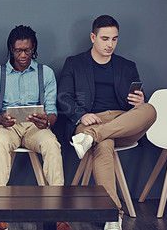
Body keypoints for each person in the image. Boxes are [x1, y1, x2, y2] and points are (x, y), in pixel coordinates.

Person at [58, 15, 156, 230]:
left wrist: (139, 101)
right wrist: (81, 115)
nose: (110, 44)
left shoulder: (127, 66)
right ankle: (113, 216)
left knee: (149, 109)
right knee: (104, 145)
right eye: (105, 38)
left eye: (114, 39)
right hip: (90, 120)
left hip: (121, 121)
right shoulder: (74, 63)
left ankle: (91, 138)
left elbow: (137, 106)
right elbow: (63, 97)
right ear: (93, 37)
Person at [0, 25, 70, 230]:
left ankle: (60, 215)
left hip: (35, 128)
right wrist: (0, 119)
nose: (23, 55)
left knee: (52, 145)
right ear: (11, 50)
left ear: (34, 49)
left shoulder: (44, 73)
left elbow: (52, 110)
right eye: (18, 50)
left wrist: (47, 121)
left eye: (27, 50)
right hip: (8, 127)